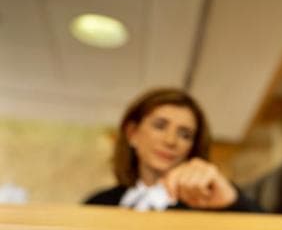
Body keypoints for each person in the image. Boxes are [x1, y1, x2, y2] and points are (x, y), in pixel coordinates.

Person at [84, 88, 261, 212]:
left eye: (185, 134)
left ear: (192, 147)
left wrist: (231, 201)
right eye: (160, 126)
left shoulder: (212, 201)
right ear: (133, 133)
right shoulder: (99, 203)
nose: (170, 141)